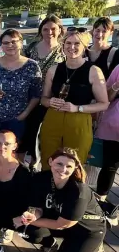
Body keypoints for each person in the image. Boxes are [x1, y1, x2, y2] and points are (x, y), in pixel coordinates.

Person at [21, 148, 107, 252]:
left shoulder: (79, 191)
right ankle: (51, 245)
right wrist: (32, 216)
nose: (63, 169)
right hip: (58, 218)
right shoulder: (40, 179)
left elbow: (62, 224)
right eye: (59, 164)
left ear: (75, 167)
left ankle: (95, 246)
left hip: (86, 229)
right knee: (26, 228)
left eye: (69, 166)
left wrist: (31, 221)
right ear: (51, 161)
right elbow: (37, 207)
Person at [39, 28, 108, 168]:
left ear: (84, 46)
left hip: (79, 120)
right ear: (63, 45)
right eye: (68, 43)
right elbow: (43, 99)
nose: (72, 47)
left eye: (77, 43)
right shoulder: (54, 69)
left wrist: (77, 108)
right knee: (48, 161)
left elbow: (104, 104)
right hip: (53, 119)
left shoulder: (93, 71)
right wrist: (49, 101)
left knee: (75, 164)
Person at [0, 29, 43, 156]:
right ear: (1, 45)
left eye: (14, 42)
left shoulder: (32, 66)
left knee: (13, 157)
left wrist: (24, 115)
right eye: (6, 43)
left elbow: (37, 94)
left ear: (21, 43)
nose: (10, 45)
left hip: (16, 120)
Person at [22, 15, 65, 164]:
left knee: (43, 135)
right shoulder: (32, 47)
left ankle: (40, 163)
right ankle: (28, 163)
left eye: (53, 29)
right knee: (27, 132)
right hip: (29, 96)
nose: (49, 32)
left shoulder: (65, 50)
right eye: (45, 29)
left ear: (60, 30)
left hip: (50, 99)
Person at [96, 61, 119, 200]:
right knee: (110, 166)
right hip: (114, 124)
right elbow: (106, 98)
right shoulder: (118, 68)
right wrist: (116, 86)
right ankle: (100, 203)